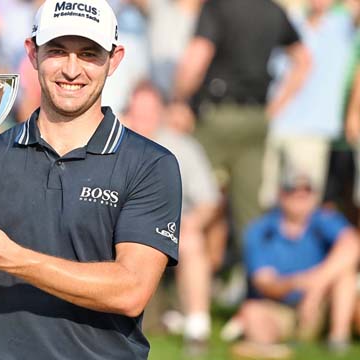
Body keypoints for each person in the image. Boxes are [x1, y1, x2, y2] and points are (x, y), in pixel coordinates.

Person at [0, 0, 182, 358]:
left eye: (89, 54)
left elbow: (130, 291)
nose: (72, 70)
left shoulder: (150, 164)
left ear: (115, 59)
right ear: (32, 53)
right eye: (57, 51)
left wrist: (10, 257)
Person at [174, 0, 310, 249]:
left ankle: (186, 274)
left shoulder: (217, 6)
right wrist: (275, 107)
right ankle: (253, 278)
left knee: (195, 198)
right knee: (250, 210)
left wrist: (178, 99)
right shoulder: (274, 10)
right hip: (256, 118)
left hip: (216, 117)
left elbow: (196, 57)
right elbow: (304, 60)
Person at [123, 81, 219, 351]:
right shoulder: (112, 143)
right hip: (122, 233)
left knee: (192, 240)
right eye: (137, 111)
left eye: (149, 112)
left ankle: (198, 327)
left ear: (162, 112)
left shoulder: (183, 147)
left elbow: (208, 201)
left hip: (171, 231)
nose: (143, 119)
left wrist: (193, 222)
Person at [228, 171, 360, 358]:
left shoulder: (323, 219)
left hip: (322, 303)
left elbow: (352, 245)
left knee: (346, 277)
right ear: (281, 194)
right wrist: (296, 283)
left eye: (307, 190)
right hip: (281, 307)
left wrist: (315, 286)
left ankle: (338, 339)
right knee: (252, 313)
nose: (301, 195)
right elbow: (265, 284)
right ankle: (270, 348)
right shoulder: (260, 230)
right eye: (293, 190)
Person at [259, 0, 357, 209]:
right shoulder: (292, 19)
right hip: (274, 124)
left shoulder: (342, 23)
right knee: (264, 200)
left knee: (301, 207)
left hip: (312, 131)